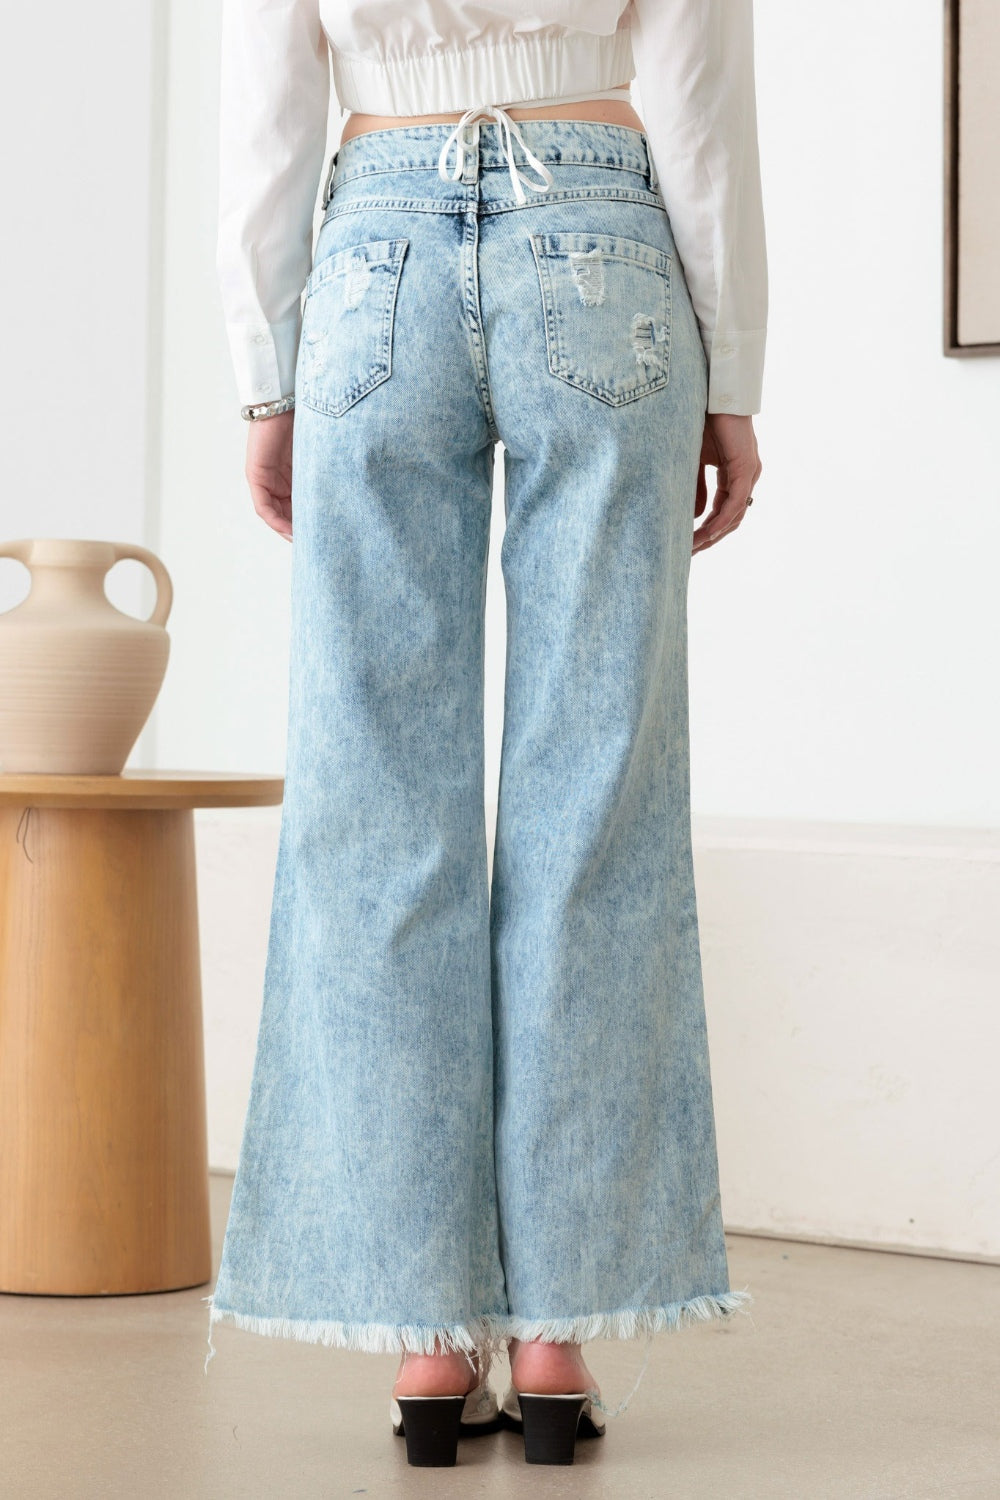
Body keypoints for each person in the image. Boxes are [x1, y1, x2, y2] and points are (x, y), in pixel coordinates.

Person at [205, 0, 766, 1469]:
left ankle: (423, 1340)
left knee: (378, 807)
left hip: (374, 242)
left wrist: (265, 369)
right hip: (600, 233)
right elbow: (700, 104)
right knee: (595, 808)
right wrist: (735, 377)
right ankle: (560, 1335)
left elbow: (267, 101)